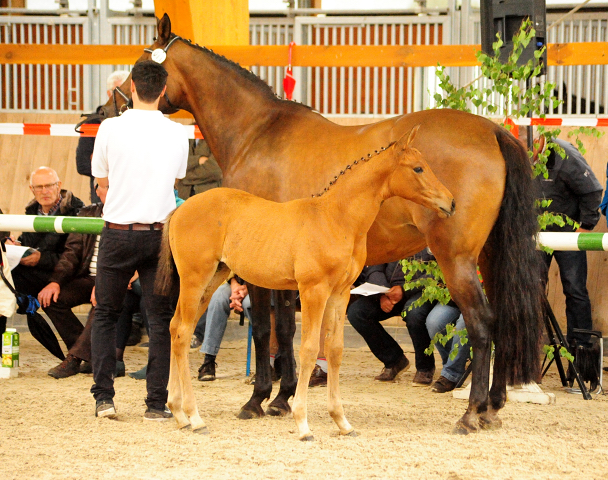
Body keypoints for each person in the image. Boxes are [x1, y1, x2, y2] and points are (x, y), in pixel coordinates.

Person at [90, 60, 188, 420]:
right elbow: (176, 182)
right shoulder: (179, 132)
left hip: (116, 232)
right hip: (159, 237)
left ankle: (104, 398)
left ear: (131, 87)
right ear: (162, 91)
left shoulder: (109, 128)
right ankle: (155, 404)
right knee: (160, 320)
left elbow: (101, 179)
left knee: (105, 314)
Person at [42, 183, 136, 379]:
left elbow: (133, 253)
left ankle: (74, 359)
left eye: (114, 186)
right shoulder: (87, 213)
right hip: (87, 277)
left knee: (103, 300)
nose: (110, 191)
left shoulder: (133, 214)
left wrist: (104, 282)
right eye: (105, 187)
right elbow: (71, 252)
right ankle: (90, 354)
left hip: (117, 278)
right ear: (97, 191)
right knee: (51, 298)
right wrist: (55, 281)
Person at [537, 137, 603, 383]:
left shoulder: (564, 155)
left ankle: (581, 353)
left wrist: (586, 227)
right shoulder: (517, 153)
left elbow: (593, 190)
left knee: (575, 290)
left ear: (538, 139)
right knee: (531, 289)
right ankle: (530, 352)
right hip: (536, 233)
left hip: (568, 231)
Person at [5, 167, 84, 348]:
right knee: (4, 282)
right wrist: (16, 245)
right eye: (39, 187)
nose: (44, 191)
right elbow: (30, 243)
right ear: (32, 190)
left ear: (59, 186)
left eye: (49, 185)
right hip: (37, 271)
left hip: (68, 274)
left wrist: (40, 258)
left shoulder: (77, 211)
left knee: (49, 297)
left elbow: (76, 257)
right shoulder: (32, 210)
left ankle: (82, 351)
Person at [346, 249, 436, 384]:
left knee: (414, 315)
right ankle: (394, 360)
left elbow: (437, 273)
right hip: (389, 292)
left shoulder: (430, 236)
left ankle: (425, 367)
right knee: (357, 313)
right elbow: (374, 269)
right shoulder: (392, 234)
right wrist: (382, 292)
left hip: (420, 291)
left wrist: (404, 289)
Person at [76, 70, 130, 203]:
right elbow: (82, 164)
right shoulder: (93, 122)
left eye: (126, 92)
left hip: (131, 196)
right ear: (108, 94)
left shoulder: (137, 122)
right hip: (102, 198)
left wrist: (102, 162)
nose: (122, 97)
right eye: (117, 91)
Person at [196, 275, 252, 382]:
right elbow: (229, 266)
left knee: (248, 304)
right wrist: (234, 285)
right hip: (236, 284)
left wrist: (247, 289)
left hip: (262, 286)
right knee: (218, 297)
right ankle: (209, 359)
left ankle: (269, 362)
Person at [425, 302, 470, 393]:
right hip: (453, 301)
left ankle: (451, 374)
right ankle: (453, 363)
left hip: (478, 302)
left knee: (464, 323)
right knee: (434, 323)